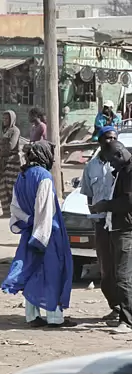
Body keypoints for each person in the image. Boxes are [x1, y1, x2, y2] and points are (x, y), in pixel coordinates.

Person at [1, 141, 75, 328]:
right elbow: (45, 210)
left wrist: (28, 223)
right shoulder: (44, 177)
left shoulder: (22, 176)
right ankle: (54, 317)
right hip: (47, 234)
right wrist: (40, 238)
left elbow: (15, 208)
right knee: (52, 273)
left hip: (29, 232)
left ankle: (32, 316)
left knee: (33, 272)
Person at [90, 140, 132, 334]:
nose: (111, 166)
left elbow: (128, 202)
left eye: (112, 162)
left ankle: (127, 321)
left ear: (118, 154)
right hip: (117, 228)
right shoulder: (122, 171)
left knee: (123, 277)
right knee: (117, 275)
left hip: (126, 230)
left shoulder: (130, 172)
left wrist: (106, 205)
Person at [80, 126, 119, 321]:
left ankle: (126, 311)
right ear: (100, 142)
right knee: (106, 271)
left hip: (122, 225)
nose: (110, 142)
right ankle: (116, 307)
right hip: (101, 224)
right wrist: (95, 214)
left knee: (124, 269)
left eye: (113, 138)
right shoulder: (91, 167)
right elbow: (88, 195)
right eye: (107, 138)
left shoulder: (123, 164)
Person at [0, 110, 21, 217]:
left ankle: (16, 213)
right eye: (3, 118)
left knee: (11, 187)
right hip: (3, 162)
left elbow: (11, 146)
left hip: (12, 161)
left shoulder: (15, 131)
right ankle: (6, 212)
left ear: (12, 119)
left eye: (7, 119)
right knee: (2, 186)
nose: (4, 121)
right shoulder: (5, 131)